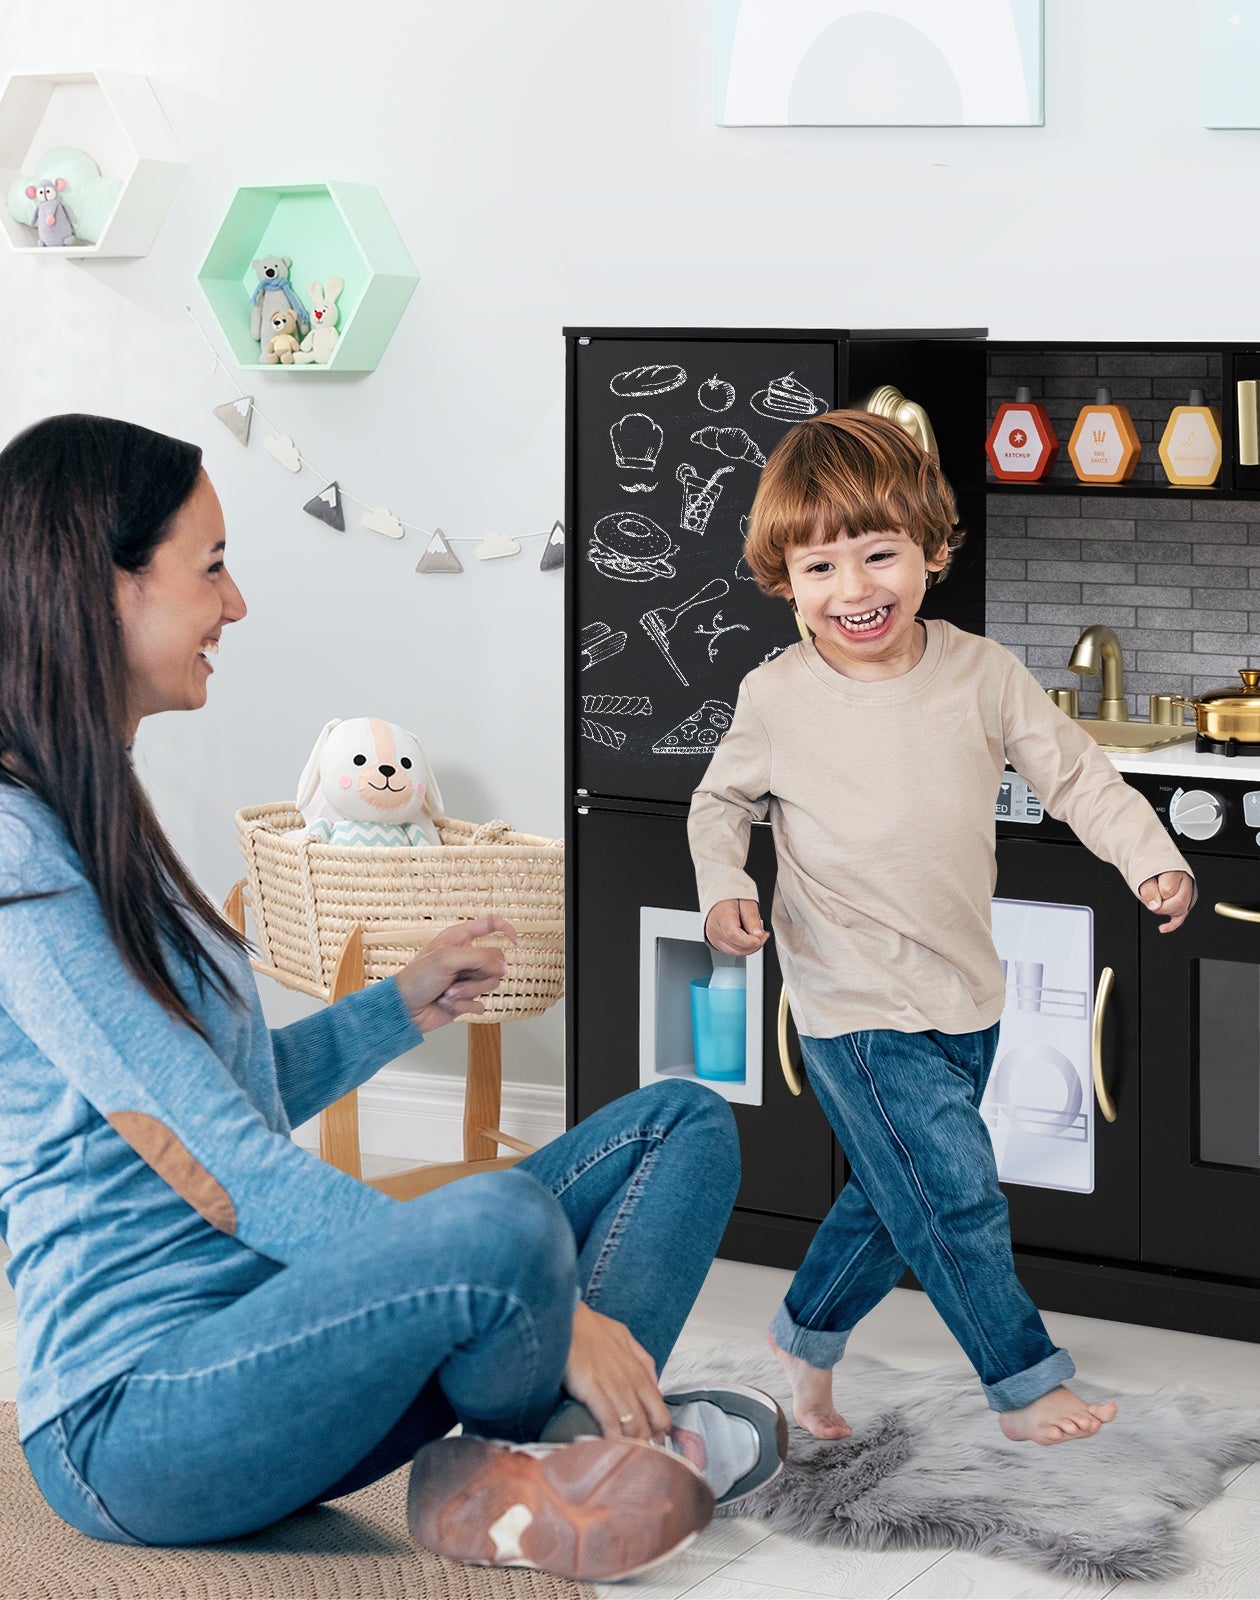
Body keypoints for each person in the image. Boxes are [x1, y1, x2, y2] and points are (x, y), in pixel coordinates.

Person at [0, 415, 783, 1585]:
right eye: (212, 566)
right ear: (103, 584)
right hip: (132, 1415)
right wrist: (566, 1319)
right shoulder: (18, 853)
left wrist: (396, 1008)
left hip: (279, 1331)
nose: (236, 604)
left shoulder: (100, 811)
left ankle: (546, 1461)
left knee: (682, 1123)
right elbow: (219, 1160)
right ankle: (587, 1445)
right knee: (498, 1227)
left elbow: (225, 1094)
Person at [688, 410, 1195, 1447]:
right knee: (956, 1195)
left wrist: (1151, 855)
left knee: (898, 1193)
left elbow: (1076, 774)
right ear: (786, 580)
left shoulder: (983, 673)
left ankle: (802, 1337)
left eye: (879, 555)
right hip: (850, 996)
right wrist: (721, 882)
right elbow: (719, 803)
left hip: (965, 988)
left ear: (930, 551)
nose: (854, 587)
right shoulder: (775, 695)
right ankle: (1023, 1380)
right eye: (820, 566)